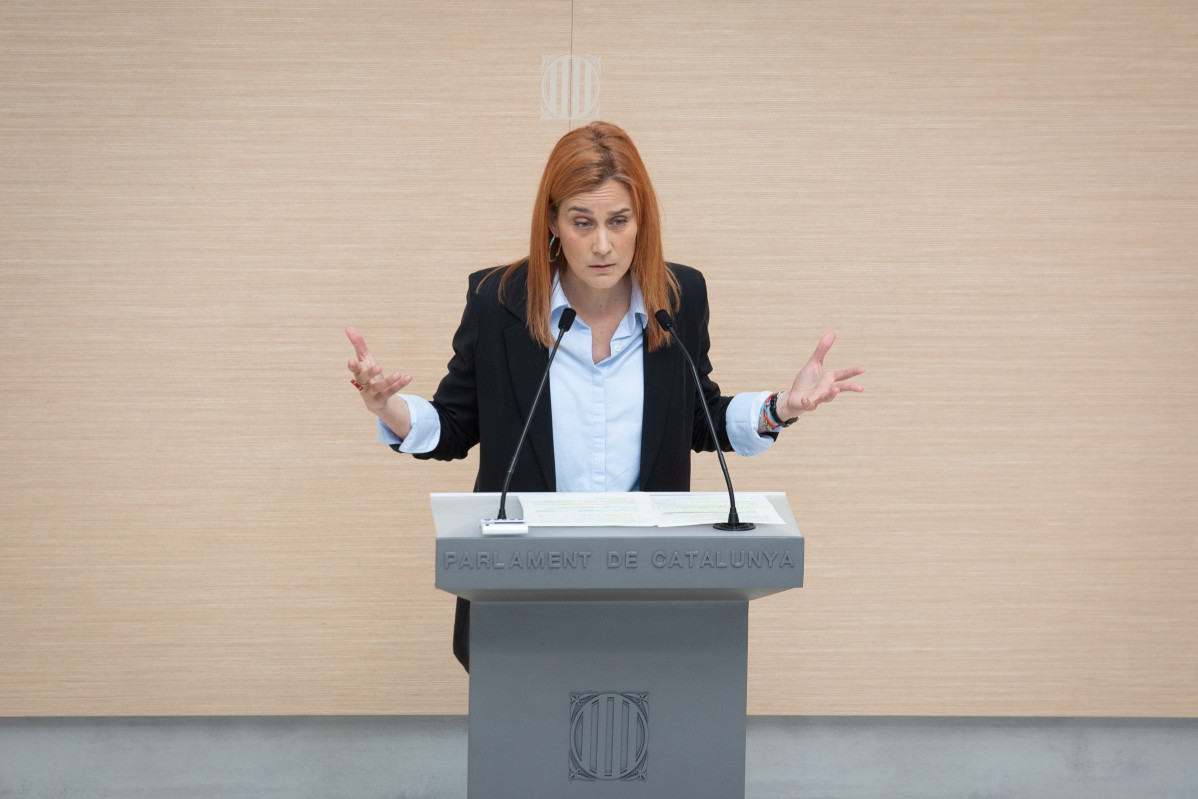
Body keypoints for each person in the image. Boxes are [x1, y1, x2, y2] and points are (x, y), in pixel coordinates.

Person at [345, 121, 864, 670]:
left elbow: (697, 416)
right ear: (552, 221)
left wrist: (780, 408)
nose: (601, 245)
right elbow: (454, 424)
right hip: (523, 578)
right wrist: (388, 408)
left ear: (642, 221)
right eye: (581, 222)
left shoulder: (679, 295)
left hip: (648, 577)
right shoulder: (498, 300)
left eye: (619, 221)